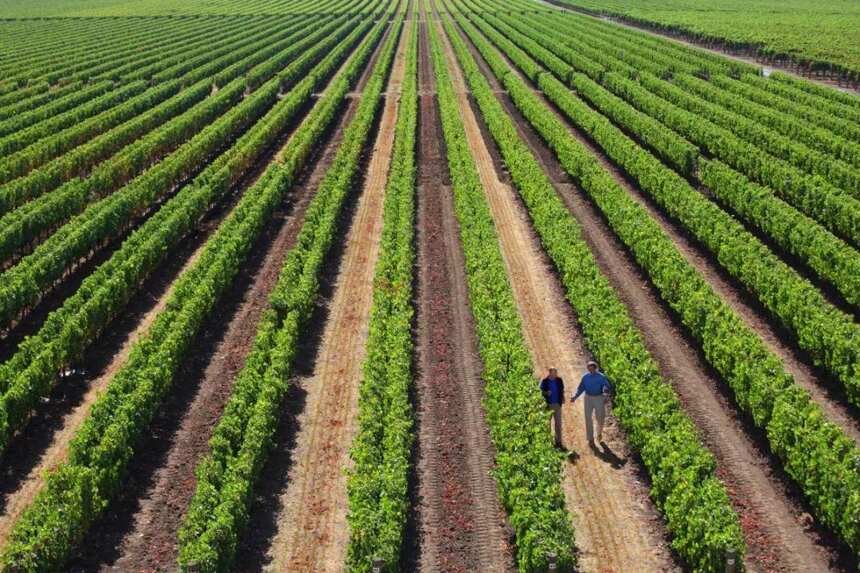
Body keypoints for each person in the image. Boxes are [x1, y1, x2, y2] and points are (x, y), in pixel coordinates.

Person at [571, 360, 613, 444]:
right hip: (588, 398)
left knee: (600, 418)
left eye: (592, 369)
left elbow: (608, 387)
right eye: (589, 369)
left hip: (598, 397)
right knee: (588, 417)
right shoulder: (585, 377)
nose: (591, 371)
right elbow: (581, 388)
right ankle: (590, 438)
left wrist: (606, 395)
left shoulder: (601, 377)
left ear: (596, 368)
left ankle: (599, 433)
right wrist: (575, 397)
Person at [540, 367, 565, 448]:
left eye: (556, 372)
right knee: (547, 424)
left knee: (558, 424)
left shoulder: (559, 380)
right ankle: (548, 442)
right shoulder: (545, 381)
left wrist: (563, 397)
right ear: (550, 372)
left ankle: (558, 441)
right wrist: (546, 393)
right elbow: (541, 391)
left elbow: (562, 390)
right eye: (554, 372)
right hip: (548, 405)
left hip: (557, 404)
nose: (555, 374)